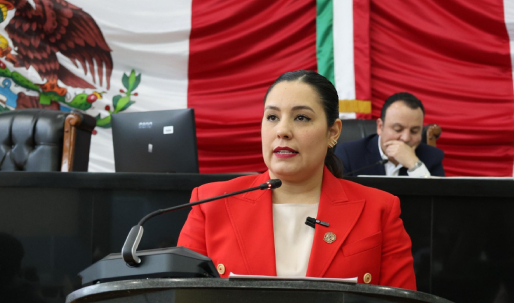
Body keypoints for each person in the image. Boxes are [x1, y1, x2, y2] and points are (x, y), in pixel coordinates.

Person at [176, 70, 416, 290]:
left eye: (301, 117)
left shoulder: (379, 209)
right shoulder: (210, 203)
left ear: (332, 132)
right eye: (272, 117)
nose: (282, 131)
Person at [334, 92, 445, 177]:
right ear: (380, 127)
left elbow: (438, 199)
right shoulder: (348, 154)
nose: (406, 138)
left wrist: (414, 165)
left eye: (414, 131)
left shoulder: (432, 157)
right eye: (398, 129)